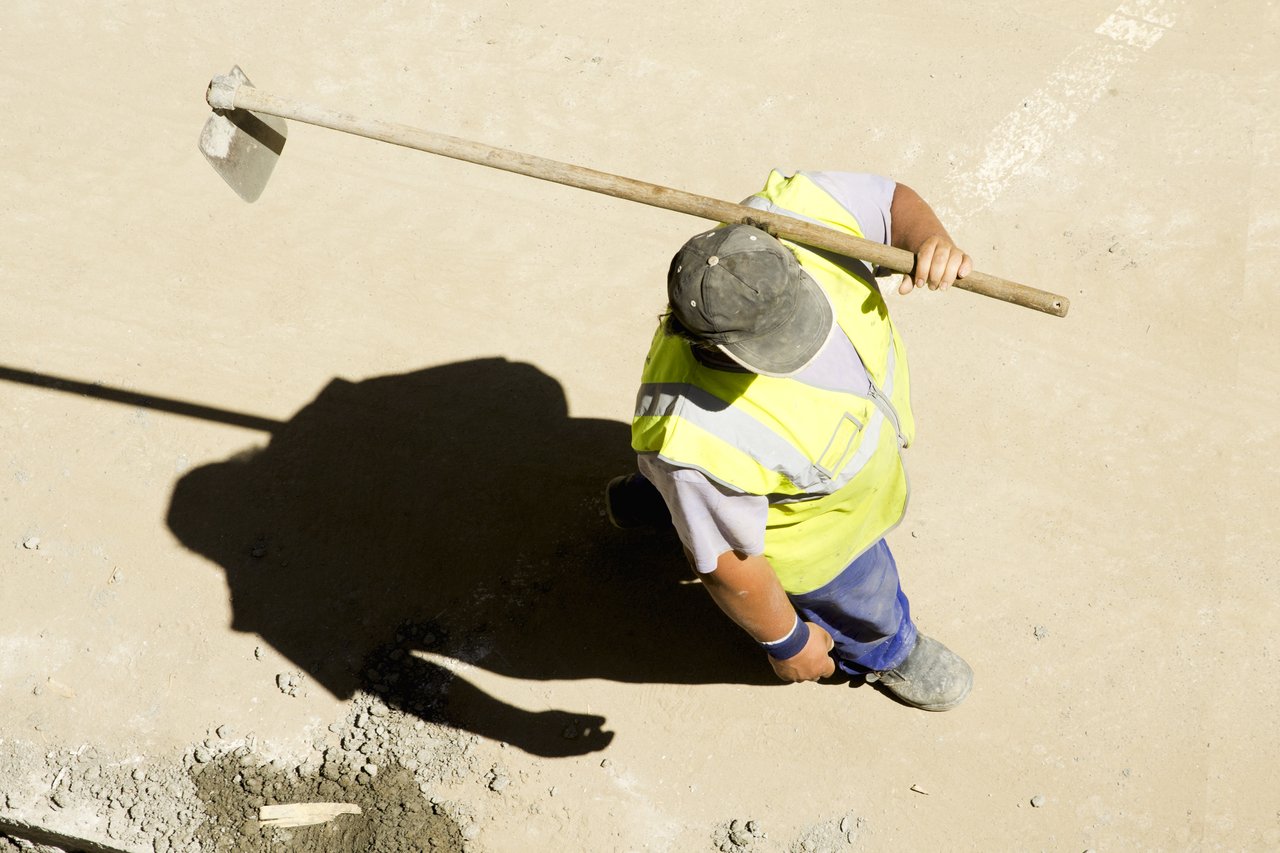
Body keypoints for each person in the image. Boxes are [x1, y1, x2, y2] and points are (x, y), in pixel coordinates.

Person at [607, 170, 975, 711]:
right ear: (718, 351)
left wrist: (928, 238)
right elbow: (730, 565)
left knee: (695, 493)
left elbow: (889, 200)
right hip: (823, 542)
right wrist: (789, 642)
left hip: (717, 481)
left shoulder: (796, 216)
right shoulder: (697, 443)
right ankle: (886, 649)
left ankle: (659, 501)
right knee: (861, 594)